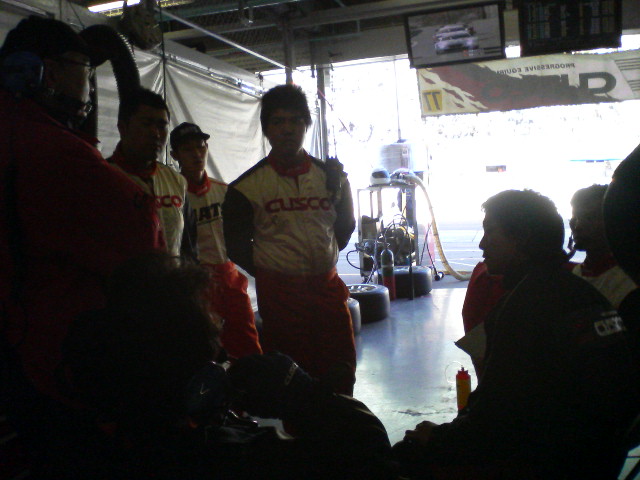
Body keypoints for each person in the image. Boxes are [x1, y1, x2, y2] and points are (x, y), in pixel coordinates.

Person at [61, 252, 394, 480]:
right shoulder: (245, 459)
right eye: (211, 319)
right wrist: (309, 398)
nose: (220, 324)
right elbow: (372, 456)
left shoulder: (103, 447)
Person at [0, 16, 162, 477]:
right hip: (55, 361)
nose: (89, 83)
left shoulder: (15, 133)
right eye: (84, 70)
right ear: (48, 72)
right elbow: (142, 239)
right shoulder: (55, 150)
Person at [393, 189, 639, 479]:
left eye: (490, 231)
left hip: (553, 462)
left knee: (405, 455)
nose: (482, 243)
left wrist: (438, 438)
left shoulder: (527, 305)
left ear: (521, 238)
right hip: (600, 457)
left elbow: (497, 419)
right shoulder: (582, 292)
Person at [222, 84, 357, 395]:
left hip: (328, 290)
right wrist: (272, 269)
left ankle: (343, 421)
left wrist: (324, 255)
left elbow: (345, 226)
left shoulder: (332, 177)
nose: (287, 129)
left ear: (306, 125)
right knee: (291, 380)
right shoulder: (246, 188)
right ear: (267, 129)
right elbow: (236, 246)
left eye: (295, 120)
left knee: (341, 370)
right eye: (278, 121)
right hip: (280, 297)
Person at [170, 122, 262, 359]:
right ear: (175, 155)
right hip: (196, 282)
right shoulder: (172, 197)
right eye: (187, 149)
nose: (196, 154)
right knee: (206, 348)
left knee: (248, 344)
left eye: (200, 146)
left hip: (230, 277)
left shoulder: (225, 191)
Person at [108, 87, 196, 260]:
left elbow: (189, 248)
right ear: (123, 128)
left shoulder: (176, 181)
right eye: (146, 124)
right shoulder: (104, 177)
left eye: (162, 126)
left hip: (171, 277)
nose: (156, 134)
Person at [569, 184, 639, 333]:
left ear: (615, 222)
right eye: (575, 218)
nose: (577, 226)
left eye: (590, 218)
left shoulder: (629, 281)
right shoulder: (576, 273)